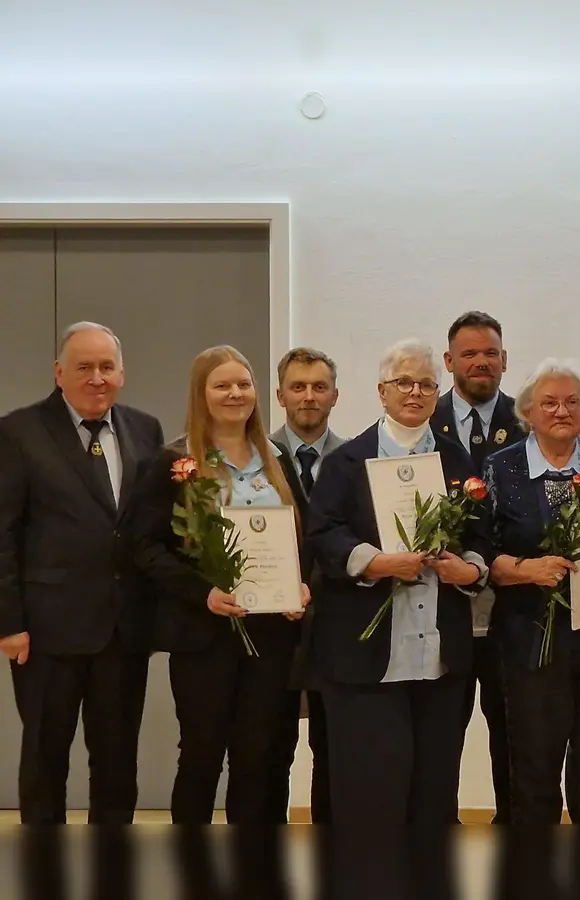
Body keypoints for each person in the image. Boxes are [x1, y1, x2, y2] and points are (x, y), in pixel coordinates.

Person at [305, 339, 490, 823]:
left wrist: (468, 569)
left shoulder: (457, 463)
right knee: (371, 797)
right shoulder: (346, 462)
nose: (415, 392)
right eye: (403, 383)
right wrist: (377, 563)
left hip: (440, 661)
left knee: (433, 797)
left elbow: (481, 533)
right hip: (367, 661)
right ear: (381, 391)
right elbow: (321, 534)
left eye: (426, 384)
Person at [126, 346, 312, 823]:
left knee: (260, 758)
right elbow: (143, 548)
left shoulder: (277, 461)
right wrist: (202, 592)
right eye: (222, 385)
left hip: (272, 635)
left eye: (243, 384)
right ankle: (194, 873)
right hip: (202, 637)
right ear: (201, 394)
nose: (235, 394)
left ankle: (254, 872)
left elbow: (303, 541)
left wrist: (301, 587)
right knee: (203, 758)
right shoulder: (173, 463)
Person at [0, 322, 165, 824]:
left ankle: (111, 873)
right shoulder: (18, 431)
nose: (97, 378)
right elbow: (2, 531)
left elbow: (146, 527)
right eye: (84, 367)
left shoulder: (145, 429)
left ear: (122, 373)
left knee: (117, 764)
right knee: (44, 761)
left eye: (107, 367)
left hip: (123, 629)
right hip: (46, 630)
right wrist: (8, 621)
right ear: (59, 372)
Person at [484, 360, 580, 825]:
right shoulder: (500, 467)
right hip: (530, 641)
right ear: (528, 412)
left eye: (573, 402)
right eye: (548, 403)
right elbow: (479, 551)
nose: (561, 411)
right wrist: (524, 570)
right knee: (533, 770)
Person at [431, 311, 521, 821]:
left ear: (504, 360)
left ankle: (514, 834)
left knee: (512, 733)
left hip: (511, 611)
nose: (481, 361)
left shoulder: (527, 421)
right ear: (450, 362)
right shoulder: (421, 426)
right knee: (442, 731)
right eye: (469, 353)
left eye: (490, 352)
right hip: (442, 609)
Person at [269, 346, 343, 824]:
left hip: (338, 630)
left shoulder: (358, 459)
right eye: (299, 387)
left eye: (319, 387)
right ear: (280, 395)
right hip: (271, 630)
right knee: (269, 753)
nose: (309, 397)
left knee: (333, 754)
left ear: (335, 395)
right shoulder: (256, 458)